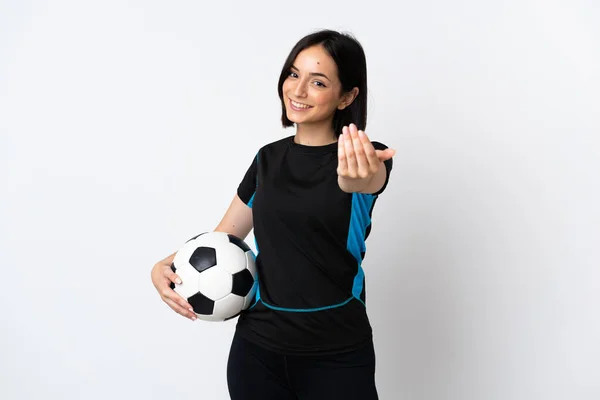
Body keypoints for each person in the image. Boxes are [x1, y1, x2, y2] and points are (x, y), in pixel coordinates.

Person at [151, 29, 395, 400]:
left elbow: (367, 179)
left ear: (347, 96)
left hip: (337, 353)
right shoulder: (267, 159)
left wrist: (363, 173)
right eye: (293, 74)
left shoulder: (361, 159)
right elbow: (221, 240)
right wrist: (162, 268)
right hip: (257, 351)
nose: (297, 91)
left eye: (318, 81)